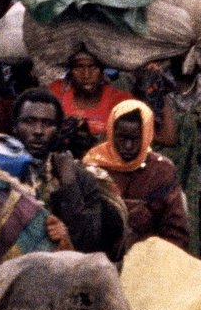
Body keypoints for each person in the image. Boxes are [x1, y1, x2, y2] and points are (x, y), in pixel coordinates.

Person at [11, 88, 127, 259]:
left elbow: (89, 243)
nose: (38, 131)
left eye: (47, 123)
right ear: (14, 126)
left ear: (58, 129)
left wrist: (69, 184)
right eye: (29, 121)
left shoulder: (81, 177)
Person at [84, 101, 190, 250]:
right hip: (102, 255)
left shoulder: (161, 170)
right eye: (122, 138)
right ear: (111, 133)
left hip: (149, 257)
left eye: (135, 139)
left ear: (147, 135)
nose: (128, 146)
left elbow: (176, 231)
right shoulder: (94, 166)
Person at [48, 49, 135, 149]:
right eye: (78, 68)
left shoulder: (121, 101)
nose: (86, 75)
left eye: (93, 67)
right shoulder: (57, 92)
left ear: (102, 71)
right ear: (70, 72)